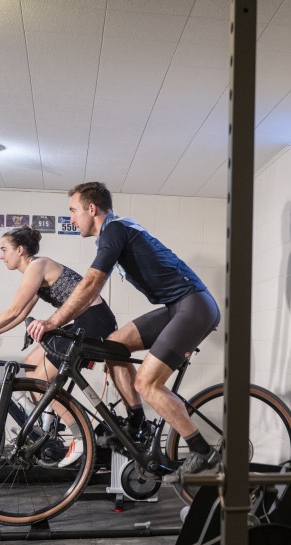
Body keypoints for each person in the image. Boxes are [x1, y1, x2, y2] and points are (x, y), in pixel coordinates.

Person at [27, 181, 221, 477]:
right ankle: (136, 422)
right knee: (114, 345)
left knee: (147, 383)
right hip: (176, 307)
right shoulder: (114, 232)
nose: (71, 219)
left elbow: (91, 283)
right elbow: (89, 289)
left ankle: (201, 450)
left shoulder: (115, 229)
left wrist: (54, 321)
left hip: (194, 306)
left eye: (73, 211)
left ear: (91, 209)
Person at [0, 225, 117, 467]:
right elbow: (18, 317)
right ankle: (48, 420)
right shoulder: (36, 270)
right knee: (31, 365)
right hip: (85, 321)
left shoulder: (37, 266)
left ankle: (81, 437)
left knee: (44, 381)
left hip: (95, 322)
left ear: (20, 250)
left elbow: (13, 310)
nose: (1, 255)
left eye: (4, 249)